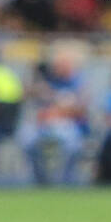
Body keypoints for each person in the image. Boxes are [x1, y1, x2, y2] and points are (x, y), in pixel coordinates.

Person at [21, 47, 90, 186]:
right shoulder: (47, 81)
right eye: (57, 64)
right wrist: (34, 78)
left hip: (69, 125)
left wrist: (59, 112)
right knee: (26, 139)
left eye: (64, 64)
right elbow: (26, 96)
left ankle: (65, 181)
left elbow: (81, 110)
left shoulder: (78, 83)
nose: (59, 68)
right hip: (44, 125)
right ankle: (41, 179)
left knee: (72, 145)